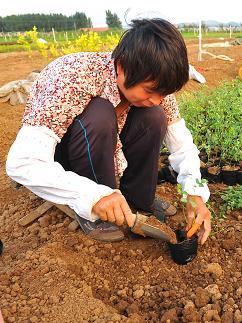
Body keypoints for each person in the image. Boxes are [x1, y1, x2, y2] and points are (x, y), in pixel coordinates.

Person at [6, 19, 212, 244]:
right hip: (63, 159)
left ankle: (138, 199)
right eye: (151, 91)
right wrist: (91, 196)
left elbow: (181, 143)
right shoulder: (72, 76)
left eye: (163, 93)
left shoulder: (155, 83)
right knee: (100, 113)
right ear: (122, 67)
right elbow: (22, 163)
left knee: (155, 115)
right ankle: (94, 207)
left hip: (106, 149)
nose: (157, 99)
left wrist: (195, 193)